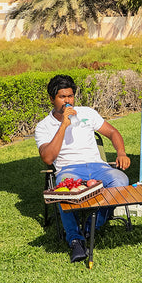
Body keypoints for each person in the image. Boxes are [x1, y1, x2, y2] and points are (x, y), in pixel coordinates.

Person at [35, 74, 131, 263]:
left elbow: (112, 132)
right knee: (63, 187)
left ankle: (92, 226)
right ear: (51, 99)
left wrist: (121, 152)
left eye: (70, 96)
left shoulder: (87, 113)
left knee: (121, 181)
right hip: (69, 169)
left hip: (98, 167)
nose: (67, 101)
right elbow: (47, 157)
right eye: (62, 97)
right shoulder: (44, 126)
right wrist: (63, 124)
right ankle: (75, 240)